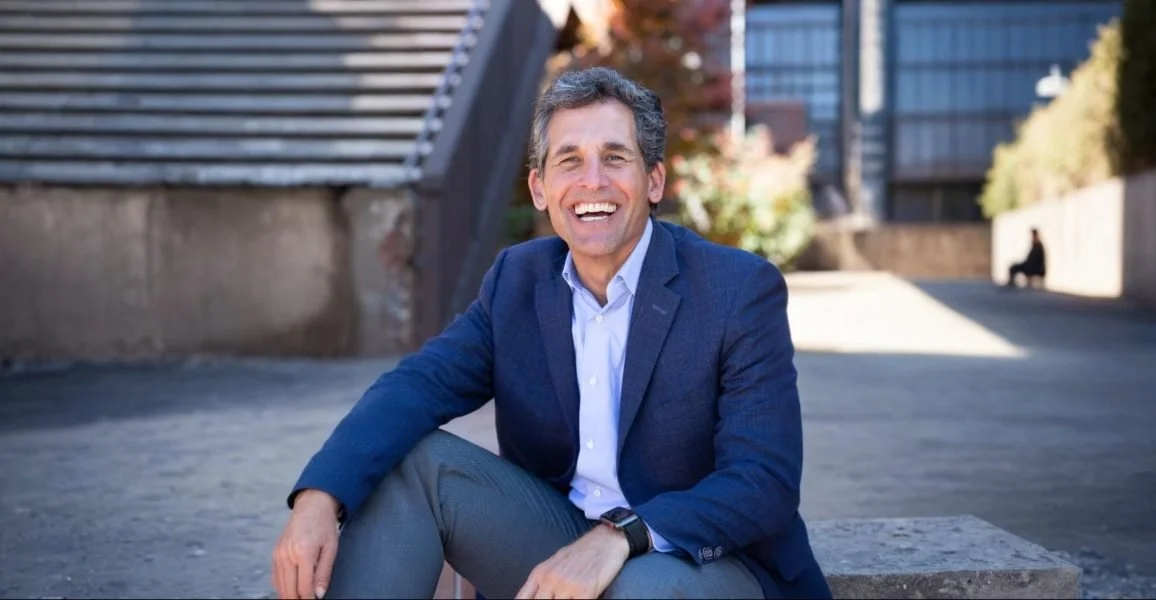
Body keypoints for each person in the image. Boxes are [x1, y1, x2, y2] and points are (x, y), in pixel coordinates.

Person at [271, 67, 831, 600]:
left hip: (702, 560)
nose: (592, 182)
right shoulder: (517, 280)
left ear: (653, 180)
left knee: (643, 589)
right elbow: (415, 387)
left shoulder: (737, 289)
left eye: (615, 158)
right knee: (411, 463)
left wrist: (622, 536)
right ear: (540, 188)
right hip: (560, 538)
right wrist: (322, 496)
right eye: (570, 161)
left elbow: (764, 482)